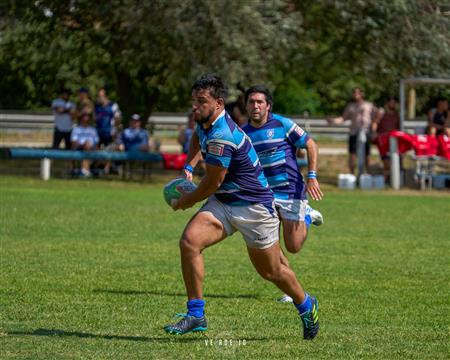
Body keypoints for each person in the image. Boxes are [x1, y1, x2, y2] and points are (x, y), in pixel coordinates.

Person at [164, 74, 319, 340]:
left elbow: (213, 182)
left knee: (271, 271)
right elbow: (195, 137)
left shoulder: (223, 135)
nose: (195, 106)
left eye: (201, 101)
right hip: (224, 203)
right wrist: (188, 167)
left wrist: (185, 201)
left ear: (219, 103)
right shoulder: (205, 123)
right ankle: (196, 314)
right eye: (194, 101)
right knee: (190, 242)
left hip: (254, 209)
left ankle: (306, 305)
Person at [242, 85, 323, 303]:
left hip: (290, 191)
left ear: (268, 106)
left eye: (260, 102)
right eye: (251, 102)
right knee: (271, 244)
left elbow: (310, 144)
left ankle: (306, 214)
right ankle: (291, 290)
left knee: (293, 246)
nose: (255, 106)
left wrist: (312, 176)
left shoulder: (282, 124)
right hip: (263, 195)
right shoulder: (242, 133)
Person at [328, 87, 378, 174]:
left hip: (366, 132)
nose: (356, 95)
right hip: (354, 132)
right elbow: (343, 118)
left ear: (362, 94)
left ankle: (367, 174)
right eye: (354, 93)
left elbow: (377, 116)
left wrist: (374, 129)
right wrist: (333, 121)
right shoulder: (350, 106)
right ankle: (352, 174)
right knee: (352, 154)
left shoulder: (369, 105)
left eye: (357, 93)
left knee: (367, 154)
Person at [371, 96, 400, 181]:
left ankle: (390, 179)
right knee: (386, 162)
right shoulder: (381, 113)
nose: (392, 104)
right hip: (383, 140)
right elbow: (375, 123)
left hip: (394, 141)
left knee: (393, 162)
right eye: (391, 102)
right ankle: (386, 180)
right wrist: (374, 133)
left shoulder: (397, 115)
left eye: (394, 102)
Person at [71, 112, 99, 177]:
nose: (86, 121)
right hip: (79, 147)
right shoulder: (76, 129)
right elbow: (74, 142)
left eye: (87, 120)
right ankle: (86, 170)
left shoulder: (93, 130)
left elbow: (96, 142)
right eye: (84, 120)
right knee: (87, 145)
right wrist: (83, 144)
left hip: (92, 147)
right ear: (81, 120)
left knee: (88, 145)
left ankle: (85, 170)